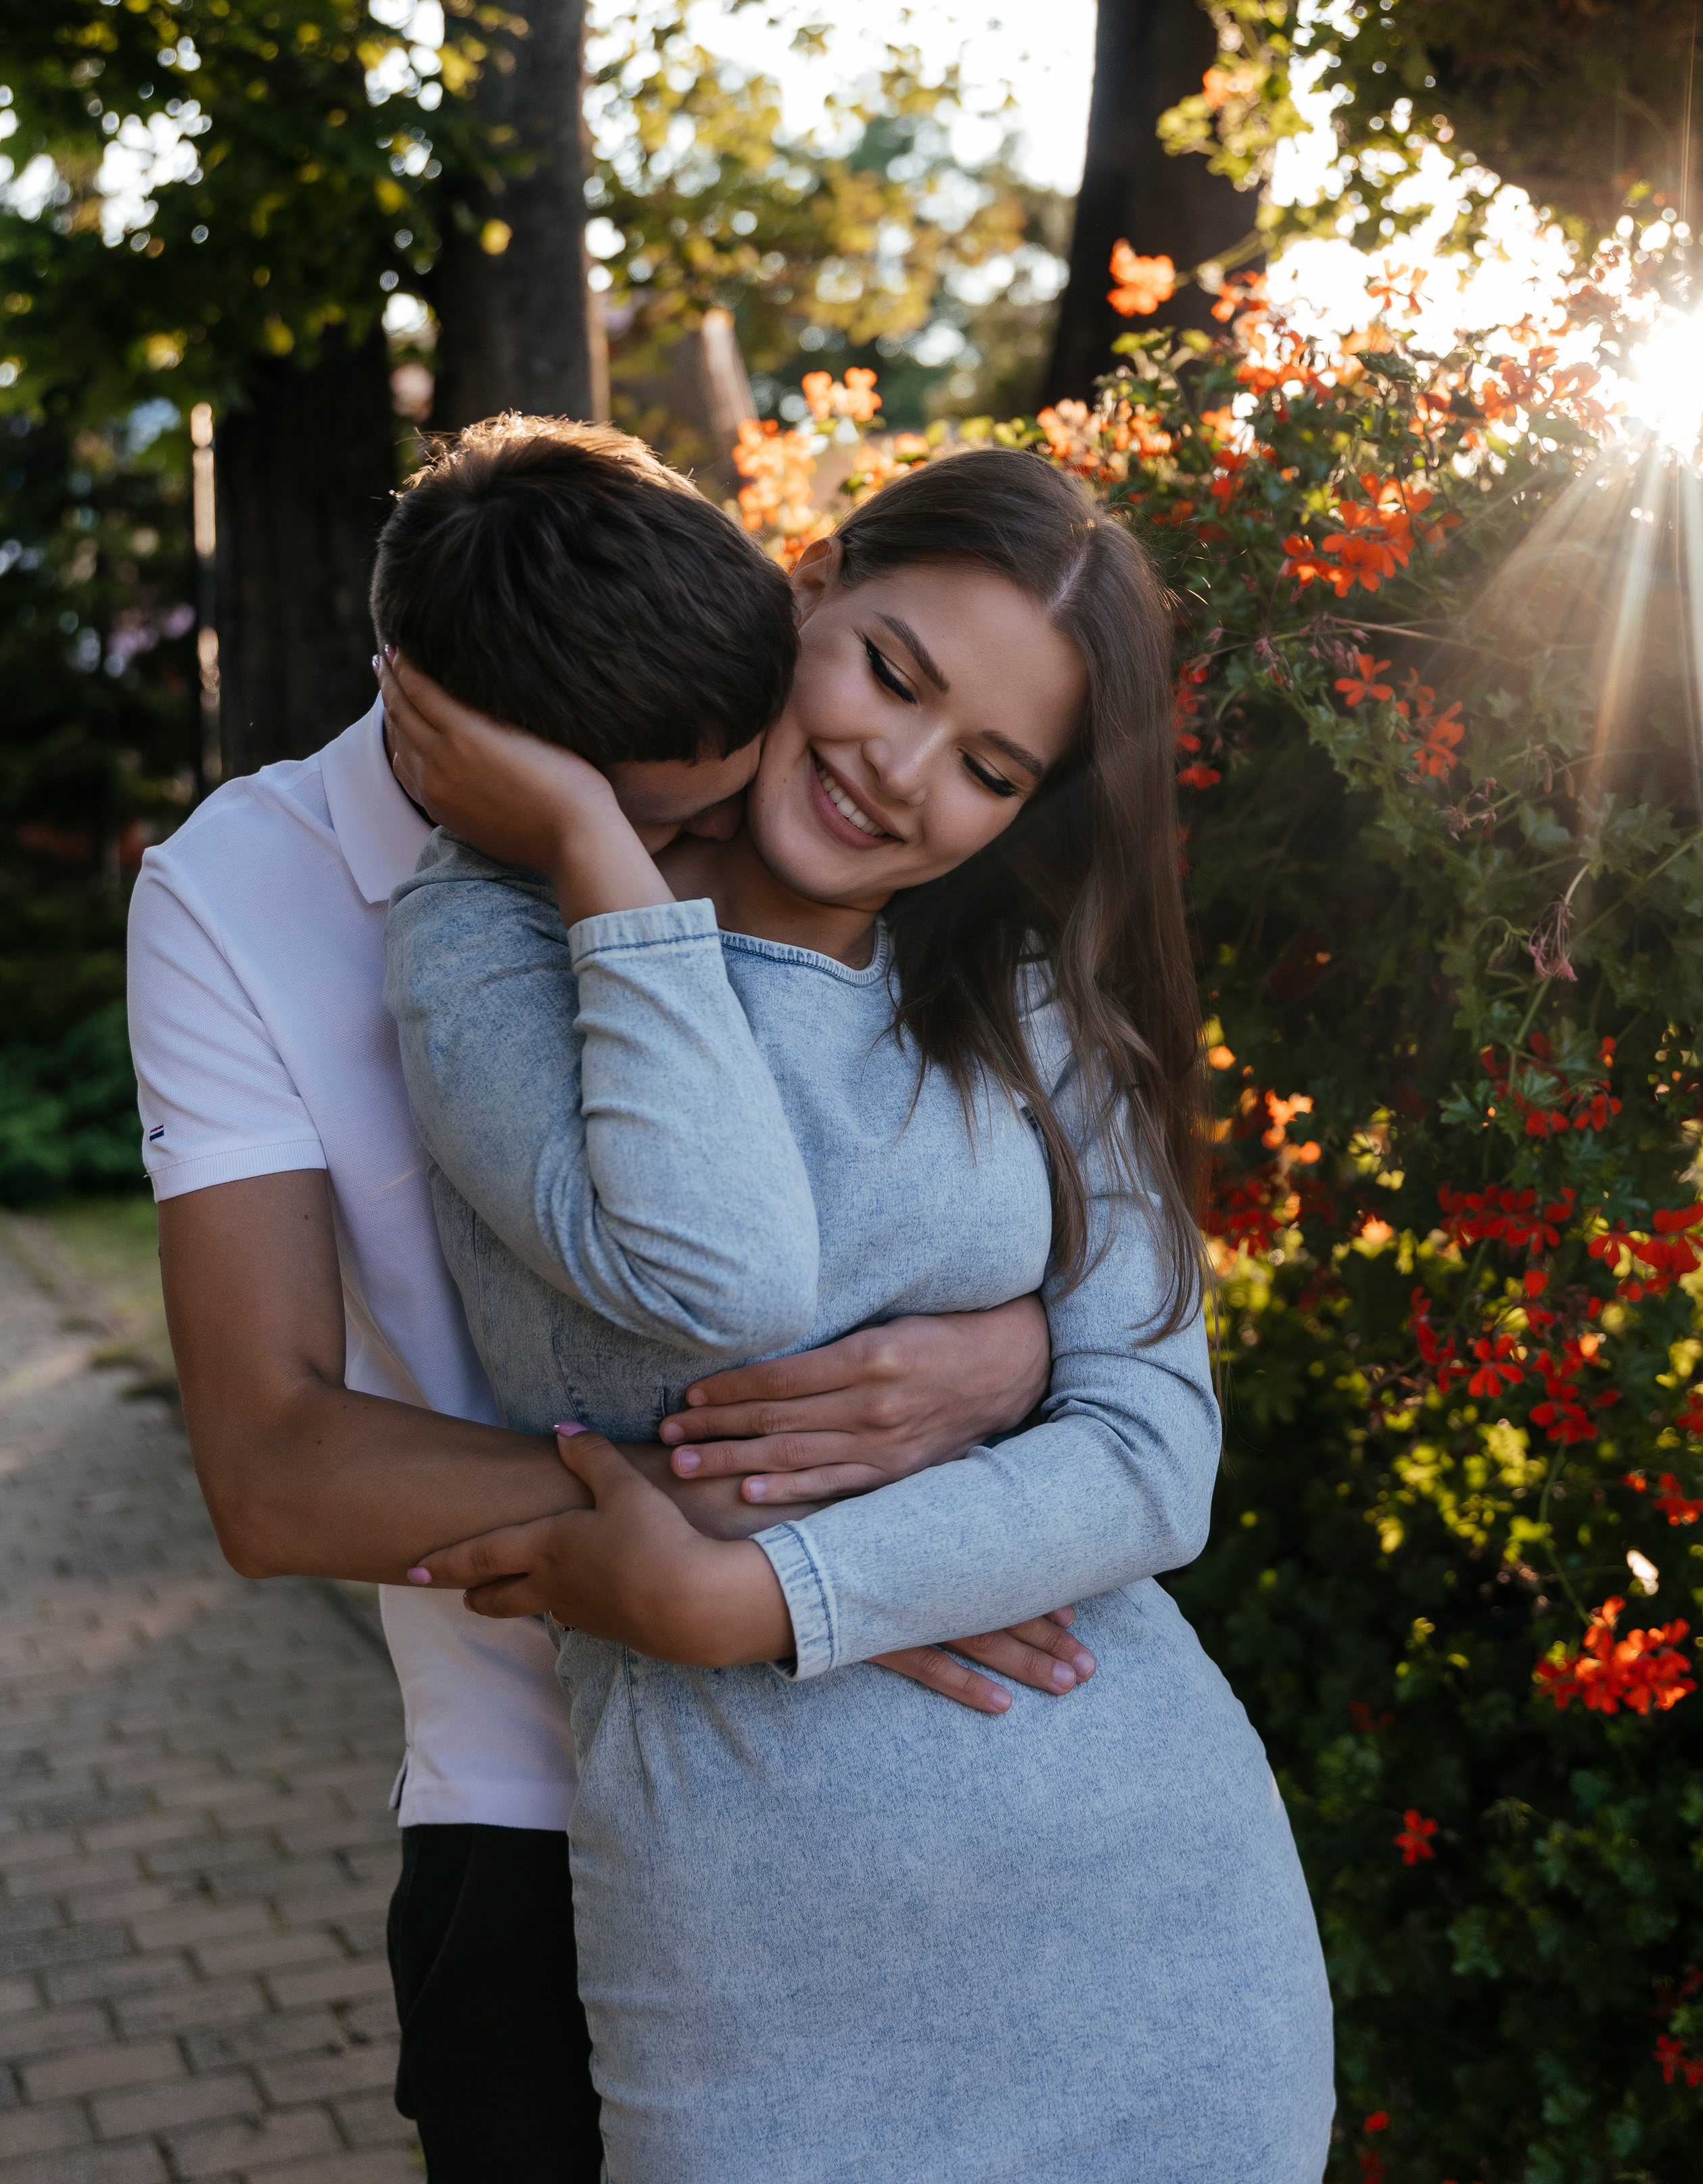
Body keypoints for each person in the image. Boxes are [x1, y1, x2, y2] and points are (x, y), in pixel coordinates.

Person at [128, 418, 1066, 2184]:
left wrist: (1014, 1354)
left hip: (923, 1767)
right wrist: (778, 1548)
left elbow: (1022, 1243)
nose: (729, 844)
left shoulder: (788, 765)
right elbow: (269, 1466)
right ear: (452, 739)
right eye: (656, 827)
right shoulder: (235, 900)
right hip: (547, 1813)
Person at [381, 448, 1335, 2183]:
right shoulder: (496, 935)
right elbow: (715, 1270)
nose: (896, 776)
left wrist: (759, 1596)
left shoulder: (1020, 993)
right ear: (800, 587)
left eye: (986, 766)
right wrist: (602, 848)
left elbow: (1152, 1459)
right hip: (761, 1961)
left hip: (1162, 1923)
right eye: (889, 670)